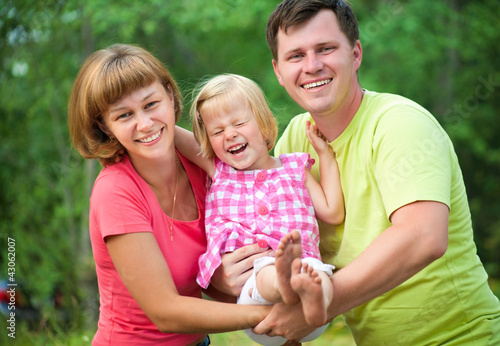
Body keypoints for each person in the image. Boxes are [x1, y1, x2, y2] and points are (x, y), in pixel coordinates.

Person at [211, 1, 500, 345]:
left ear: (356, 53)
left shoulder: (399, 123)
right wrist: (225, 277)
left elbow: (424, 237)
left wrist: (322, 305)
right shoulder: (291, 143)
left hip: (460, 337)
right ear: (278, 71)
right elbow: (269, 235)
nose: (312, 66)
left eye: (326, 49)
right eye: (296, 56)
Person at [67, 44, 272, 345]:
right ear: (105, 126)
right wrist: (270, 316)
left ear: (170, 95)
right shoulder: (116, 192)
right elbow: (165, 312)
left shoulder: (199, 167)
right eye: (124, 115)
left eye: (151, 104)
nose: (145, 124)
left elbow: (204, 278)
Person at [174, 73, 344, 345]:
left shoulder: (295, 169)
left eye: (239, 123)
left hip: (311, 311)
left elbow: (332, 211)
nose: (229, 134)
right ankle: (285, 284)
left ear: (264, 124)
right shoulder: (219, 172)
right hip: (257, 308)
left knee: (317, 273)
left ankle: (313, 298)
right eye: (217, 131)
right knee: (268, 270)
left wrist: (326, 155)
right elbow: (171, 133)